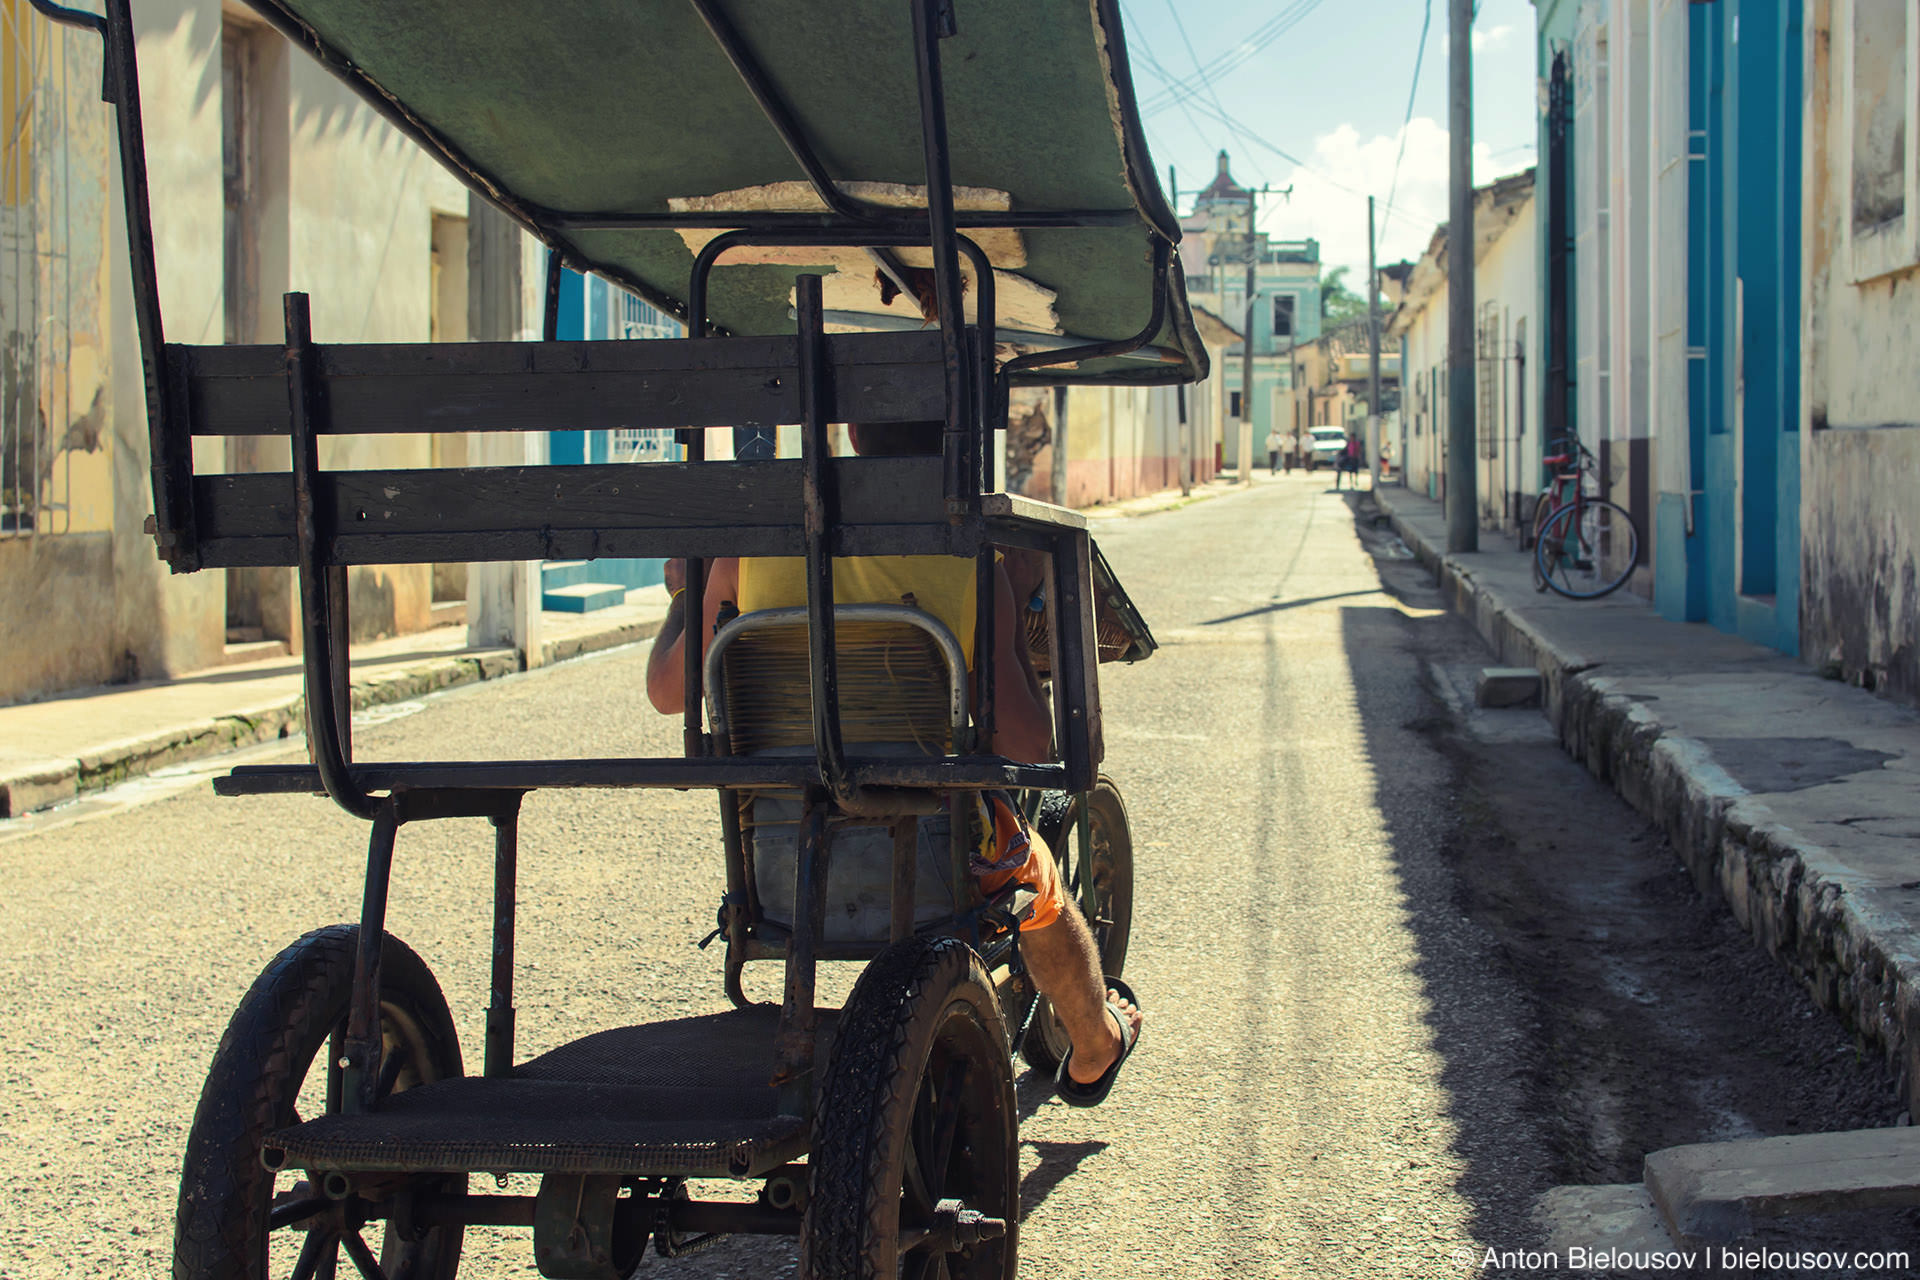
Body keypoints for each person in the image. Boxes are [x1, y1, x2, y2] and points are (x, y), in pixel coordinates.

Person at [645, 420, 1142, 1105]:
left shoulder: (751, 544)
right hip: (934, 867)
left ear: (853, 430)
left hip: (782, 865)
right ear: (955, 434)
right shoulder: (967, 555)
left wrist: (683, 594)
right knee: (1041, 881)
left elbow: (670, 692)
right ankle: (1094, 1046)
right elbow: (1029, 746)